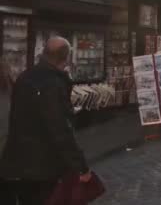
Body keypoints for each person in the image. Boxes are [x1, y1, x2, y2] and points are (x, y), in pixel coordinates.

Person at [0, 37, 92, 205]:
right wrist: (81, 167)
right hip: (43, 168)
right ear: (66, 59)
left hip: (16, 163)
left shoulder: (24, 77)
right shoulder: (53, 84)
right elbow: (61, 130)